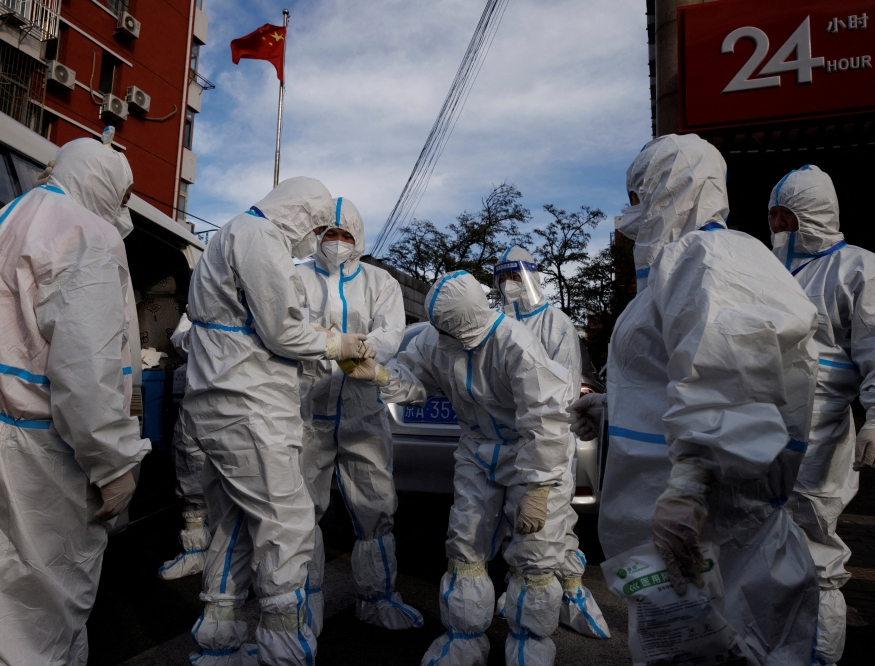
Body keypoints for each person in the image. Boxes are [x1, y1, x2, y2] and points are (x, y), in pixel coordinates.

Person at [569, 134, 821, 664]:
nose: (630, 214)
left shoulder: (709, 256)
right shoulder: (680, 267)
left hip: (719, 532)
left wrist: (689, 485)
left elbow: (729, 375)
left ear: (666, 189)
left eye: (638, 197)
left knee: (741, 650)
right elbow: (673, 378)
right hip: (691, 537)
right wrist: (611, 410)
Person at [0, 135, 151, 664]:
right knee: (34, 630)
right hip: (46, 456)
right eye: (124, 193)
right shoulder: (86, 233)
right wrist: (113, 464)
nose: (123, 207)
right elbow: (85, 370)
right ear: (103, 180)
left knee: (5, 604)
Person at [180, 177, 375, 666]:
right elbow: (281, 329)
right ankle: (282, 651)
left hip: (218, 403)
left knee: (233, 523)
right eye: (320, 227)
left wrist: (317, 335)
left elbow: (256, 318)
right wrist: (336, 343)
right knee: (286, 525)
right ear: (303, 214)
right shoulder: (259, 238)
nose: (320, 238)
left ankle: (219, 636)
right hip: (250, 408)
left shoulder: (230, 233)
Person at [344, 270, 577, 666]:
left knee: (535, 554)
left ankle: (530, 645)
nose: (445, 339)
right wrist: (381, 374)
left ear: (469, 321)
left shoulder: (514, 343)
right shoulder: (440, 338)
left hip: (529, 455)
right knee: (465, 545)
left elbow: (546, 419)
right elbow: (416, 381)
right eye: (441, 332)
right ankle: (465, 638)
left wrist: (539, 489)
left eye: (451, 332)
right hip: (476, 451)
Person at [767, 165, 875, 666]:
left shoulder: (862, 268)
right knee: (761, 543)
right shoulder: (766, 272)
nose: (778, 226)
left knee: (813, 545)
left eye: (787, 216)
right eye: (773, 216)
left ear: (812, 216)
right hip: (759, 424)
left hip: (819, 423)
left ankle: (816, 657)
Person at [295, 197, 423, 634]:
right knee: (300, 508)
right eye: (328, 234)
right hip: (307, 410)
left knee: (375, 504)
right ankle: (300, 604)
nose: (336, 242)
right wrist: (329, 342)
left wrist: (366, 349)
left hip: (363, 410)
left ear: (358, 239)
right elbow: (286, 326)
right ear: (315, 236)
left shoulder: (378, 280)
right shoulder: (295, 277)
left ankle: (377, 597)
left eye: (344, 235)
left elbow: (391, 331)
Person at [492, 246, 610, 640]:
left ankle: (569, 592)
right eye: (504, 277)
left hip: (550, 440)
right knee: (517, 523)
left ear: (533, 277)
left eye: (517, 276)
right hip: (508, 441)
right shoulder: (496, 324)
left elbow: (562, 390)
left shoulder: (556, 324)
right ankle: (522, 589)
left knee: (555, 519)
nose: (511, 285)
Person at [157, 311, 210, 580]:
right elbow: (179, 341)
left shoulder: (259, 292)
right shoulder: (201, 297)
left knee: (244, 487)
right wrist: (207, 332)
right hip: (197, 405)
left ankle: (239, 557)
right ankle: (195, 552)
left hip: (242, 409)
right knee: (190, 476)